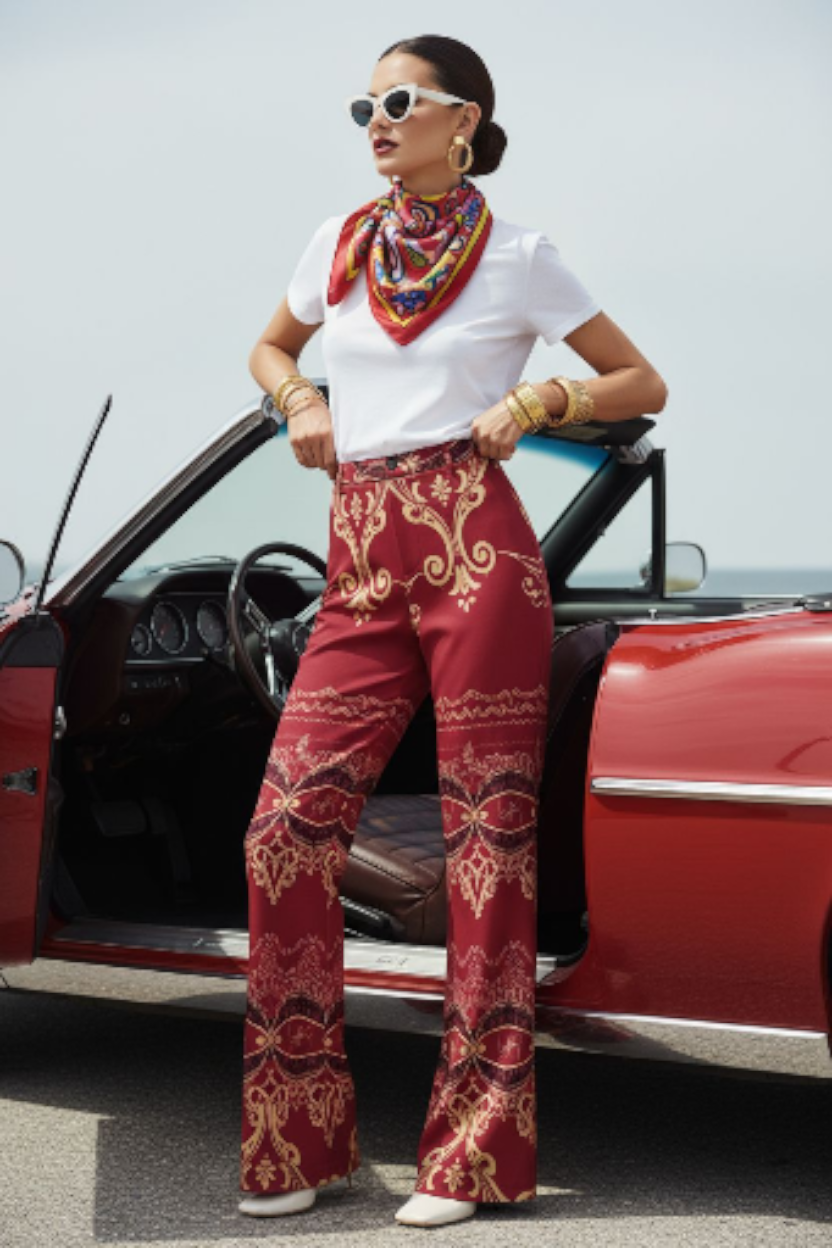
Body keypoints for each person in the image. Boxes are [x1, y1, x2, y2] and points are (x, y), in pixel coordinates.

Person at [237, 33, 667, 1229]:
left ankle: (471, 1158)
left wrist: (539, 398)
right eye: (363, 104)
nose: (375, 121)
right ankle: (301, 1142)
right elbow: (269, 342)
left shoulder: (522, 258)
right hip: (359, 552)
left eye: (398, 101)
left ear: (460, 119)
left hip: (476, 549)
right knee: (283, 838)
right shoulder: (335, 243)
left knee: (488, 853)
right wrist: (300, 397)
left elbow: (641, 383)